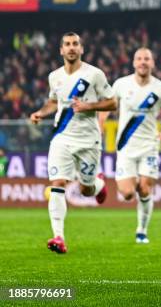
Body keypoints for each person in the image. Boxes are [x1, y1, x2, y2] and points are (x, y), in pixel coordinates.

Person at [30, 32, 117, 254]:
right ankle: (59, 237)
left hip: (89, 139)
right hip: (62, 137)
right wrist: (40, 113)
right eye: (67, 44)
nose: (71, 48)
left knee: (85, 189)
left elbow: (112, 103)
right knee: (57, 183)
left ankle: (98, 185)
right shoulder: (54, 76)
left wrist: (88, 107)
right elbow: (53, 102)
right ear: (61, 50)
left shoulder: (94, 74)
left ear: (81, 49)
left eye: (75, 44)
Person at [98, 48, 161, 244]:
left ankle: (141, 230)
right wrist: (99, 126)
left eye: (147, 59)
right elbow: (107, 107)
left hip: (150, 147)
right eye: (139, 59)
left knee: (144, 189)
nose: (143, 62)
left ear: (152, 63)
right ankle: (110, 185)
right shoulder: (121, 84)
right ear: (134, 63)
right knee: (126, 193)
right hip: (125, 147)